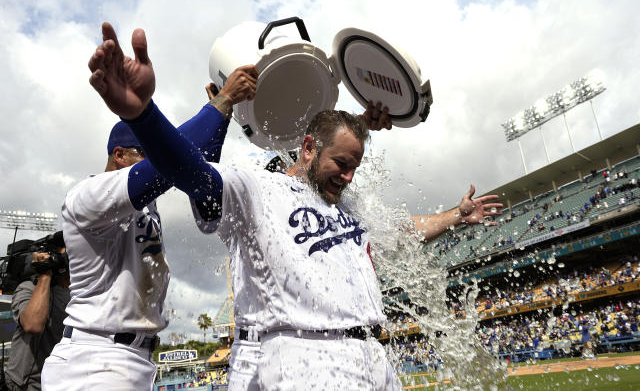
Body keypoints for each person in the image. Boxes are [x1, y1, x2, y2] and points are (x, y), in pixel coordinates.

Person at [87, 22, 501, 390]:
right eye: (342, 165)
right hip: (301, 360)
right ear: (305, 150)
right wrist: (144, 117)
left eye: (354, 166)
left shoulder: (345, 205)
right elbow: (193, 172)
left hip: (372, 359)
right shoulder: (256, 189)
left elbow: (399, 231)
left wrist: (455, 215)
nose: (349, 177)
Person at [41, 22, 258, 391]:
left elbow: (195, 168)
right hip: (94, 361)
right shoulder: (88, 196)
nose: (157, 154)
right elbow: (169, 161)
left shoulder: (144, 201)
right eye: (146, 150)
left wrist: (215, 115)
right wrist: (222, 104)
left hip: (133, 361)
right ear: (119, 154)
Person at [4, 245, 70, 391]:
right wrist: (45, 274)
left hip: (57, 382)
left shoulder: (74, 294)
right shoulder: (29, 287)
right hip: (23, 384)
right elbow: (33, 325)